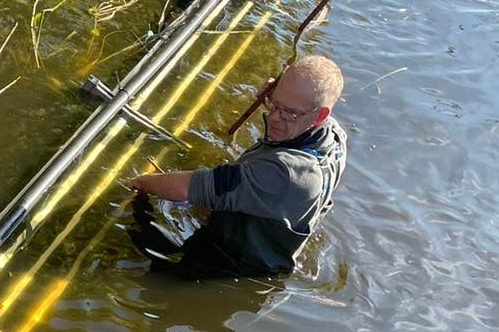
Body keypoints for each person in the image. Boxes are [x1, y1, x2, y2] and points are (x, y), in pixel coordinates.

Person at [123, 54, 347, 279]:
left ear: (320, 116)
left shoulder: (284, 174)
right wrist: (278, 98)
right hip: (266, 230)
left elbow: (186, 188)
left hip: (235, 265)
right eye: (274, 103)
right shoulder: (335, 138)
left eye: (289, 113)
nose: (274, 118)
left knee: (143, 273)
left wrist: (136, 182)